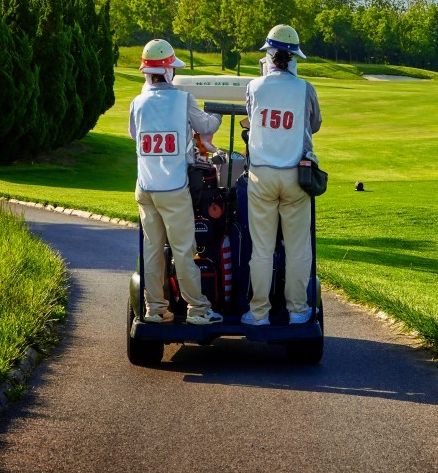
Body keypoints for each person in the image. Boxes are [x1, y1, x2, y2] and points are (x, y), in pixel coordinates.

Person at [129, 39, 224, 325]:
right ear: (169, 70)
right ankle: (197, 309)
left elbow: (135, 135)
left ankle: (155, 309)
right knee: (184, 249)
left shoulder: (137, 102)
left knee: (153, 249)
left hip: (145, 188)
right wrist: (217, 112)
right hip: (173, 188)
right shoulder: (182, 99)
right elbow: (206, 126)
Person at [242, 24, 322, 326]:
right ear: (293, 57)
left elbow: (252, 119)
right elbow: (314, 124)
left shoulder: (254, 86)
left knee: (261, 248)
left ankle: (259, 312)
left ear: (269, 54)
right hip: (295, 175)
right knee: (298, 248)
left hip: (261, 175)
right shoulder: (305, 88)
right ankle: (298, 311)